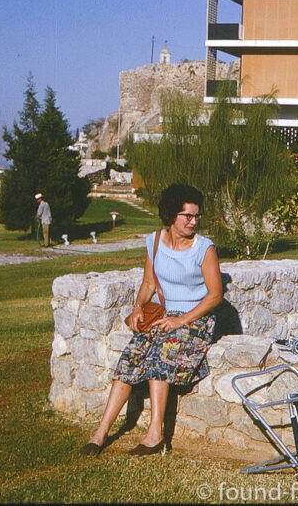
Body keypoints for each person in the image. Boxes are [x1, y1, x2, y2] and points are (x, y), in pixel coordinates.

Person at [81, 184, 223, 456]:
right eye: (187, 216)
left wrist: (180, 321)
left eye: (196, 216)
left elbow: (215, 296)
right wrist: (137, 306)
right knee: (130, 359)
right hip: (162, 316)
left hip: (195, 319)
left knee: (160, 357)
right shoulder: (155, 242)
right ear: (171, 215)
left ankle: (155, 435)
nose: (193, 222)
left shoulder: (204, 249)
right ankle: (100, 432)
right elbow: (148, 283)